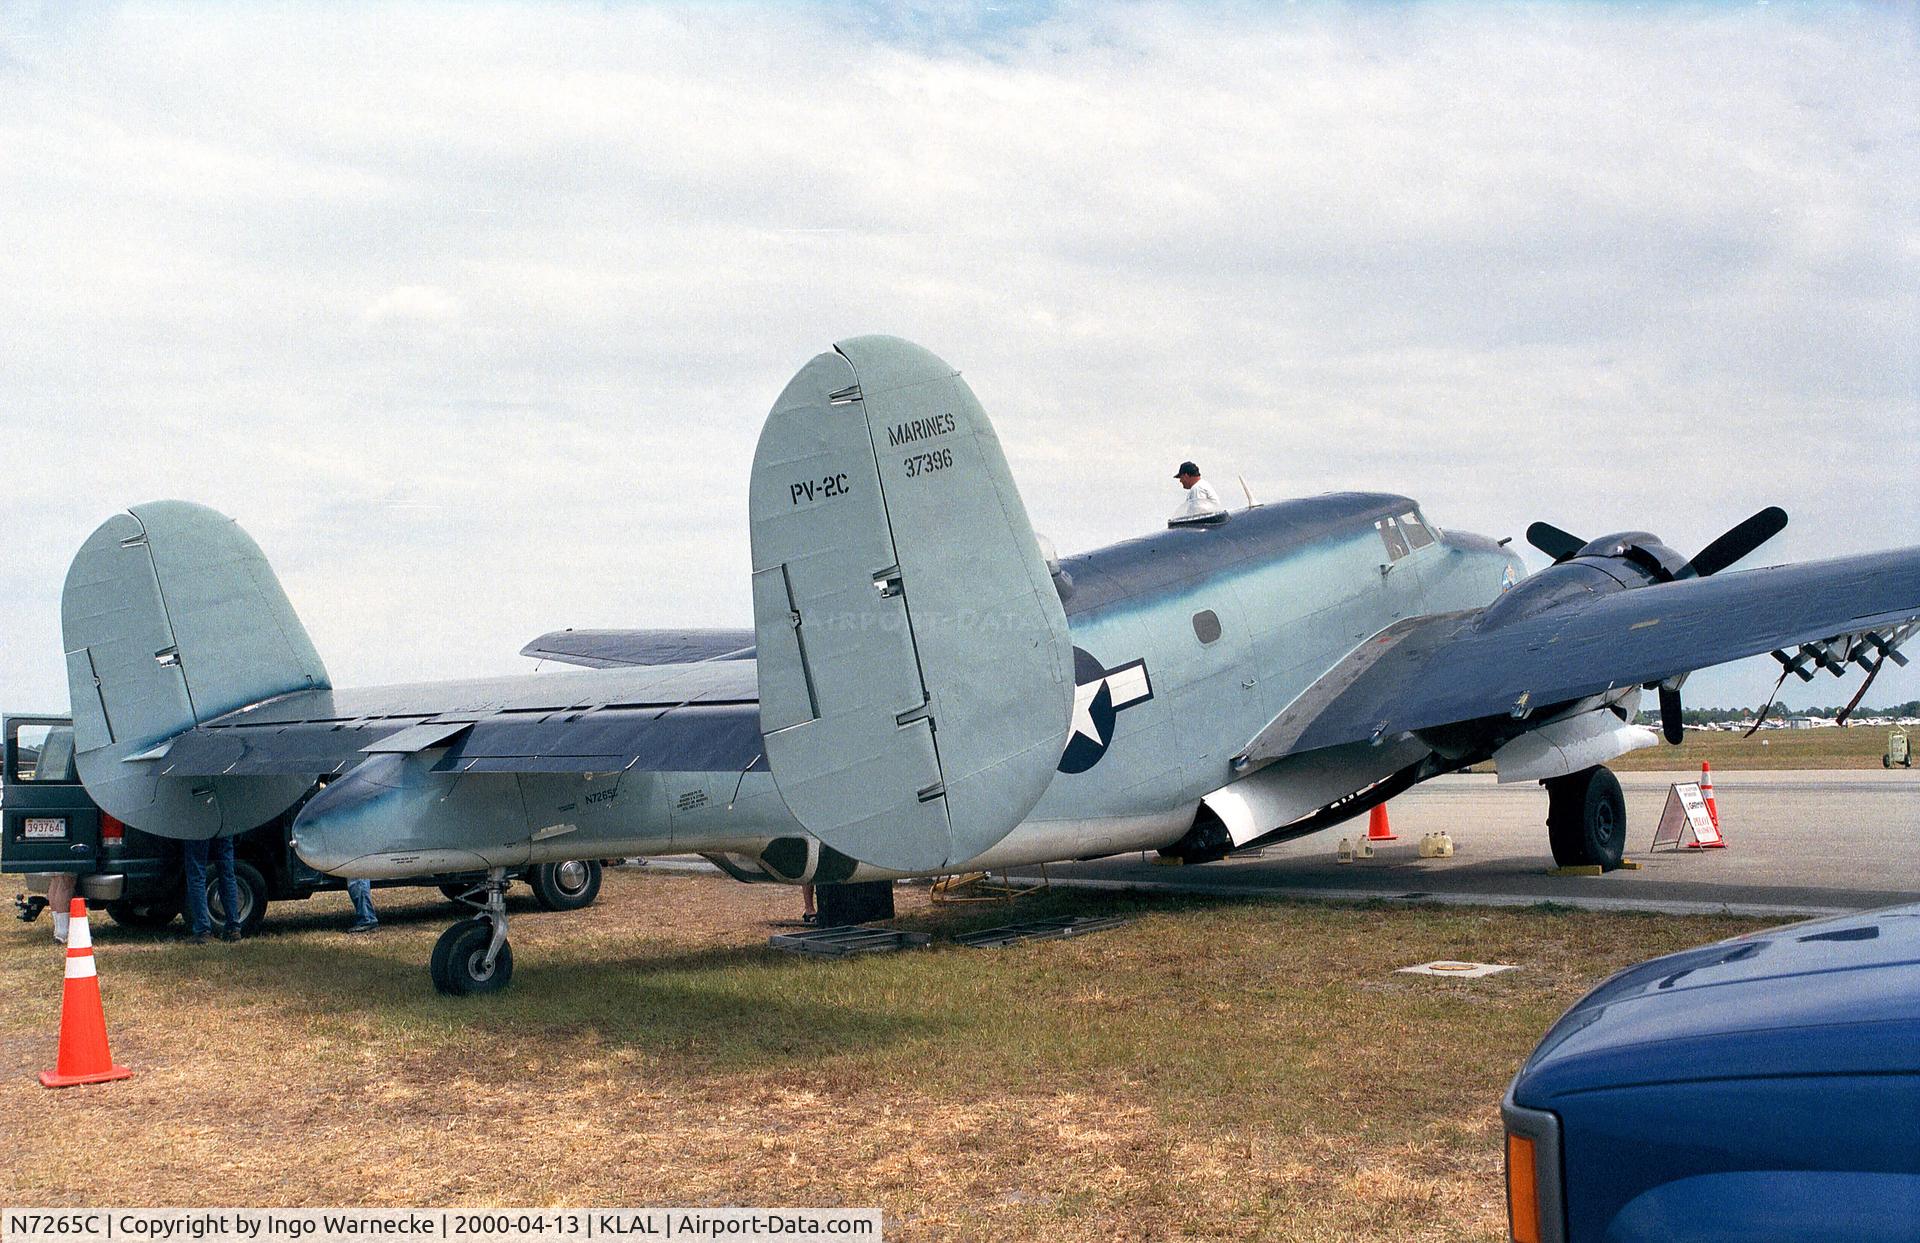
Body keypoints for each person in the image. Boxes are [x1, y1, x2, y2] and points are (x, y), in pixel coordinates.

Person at [183, 835, 242, 945]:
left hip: (198, 826)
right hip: (223, 824)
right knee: (227, 873)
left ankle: (203, 931)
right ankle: (234, 929)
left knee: (197, 875)